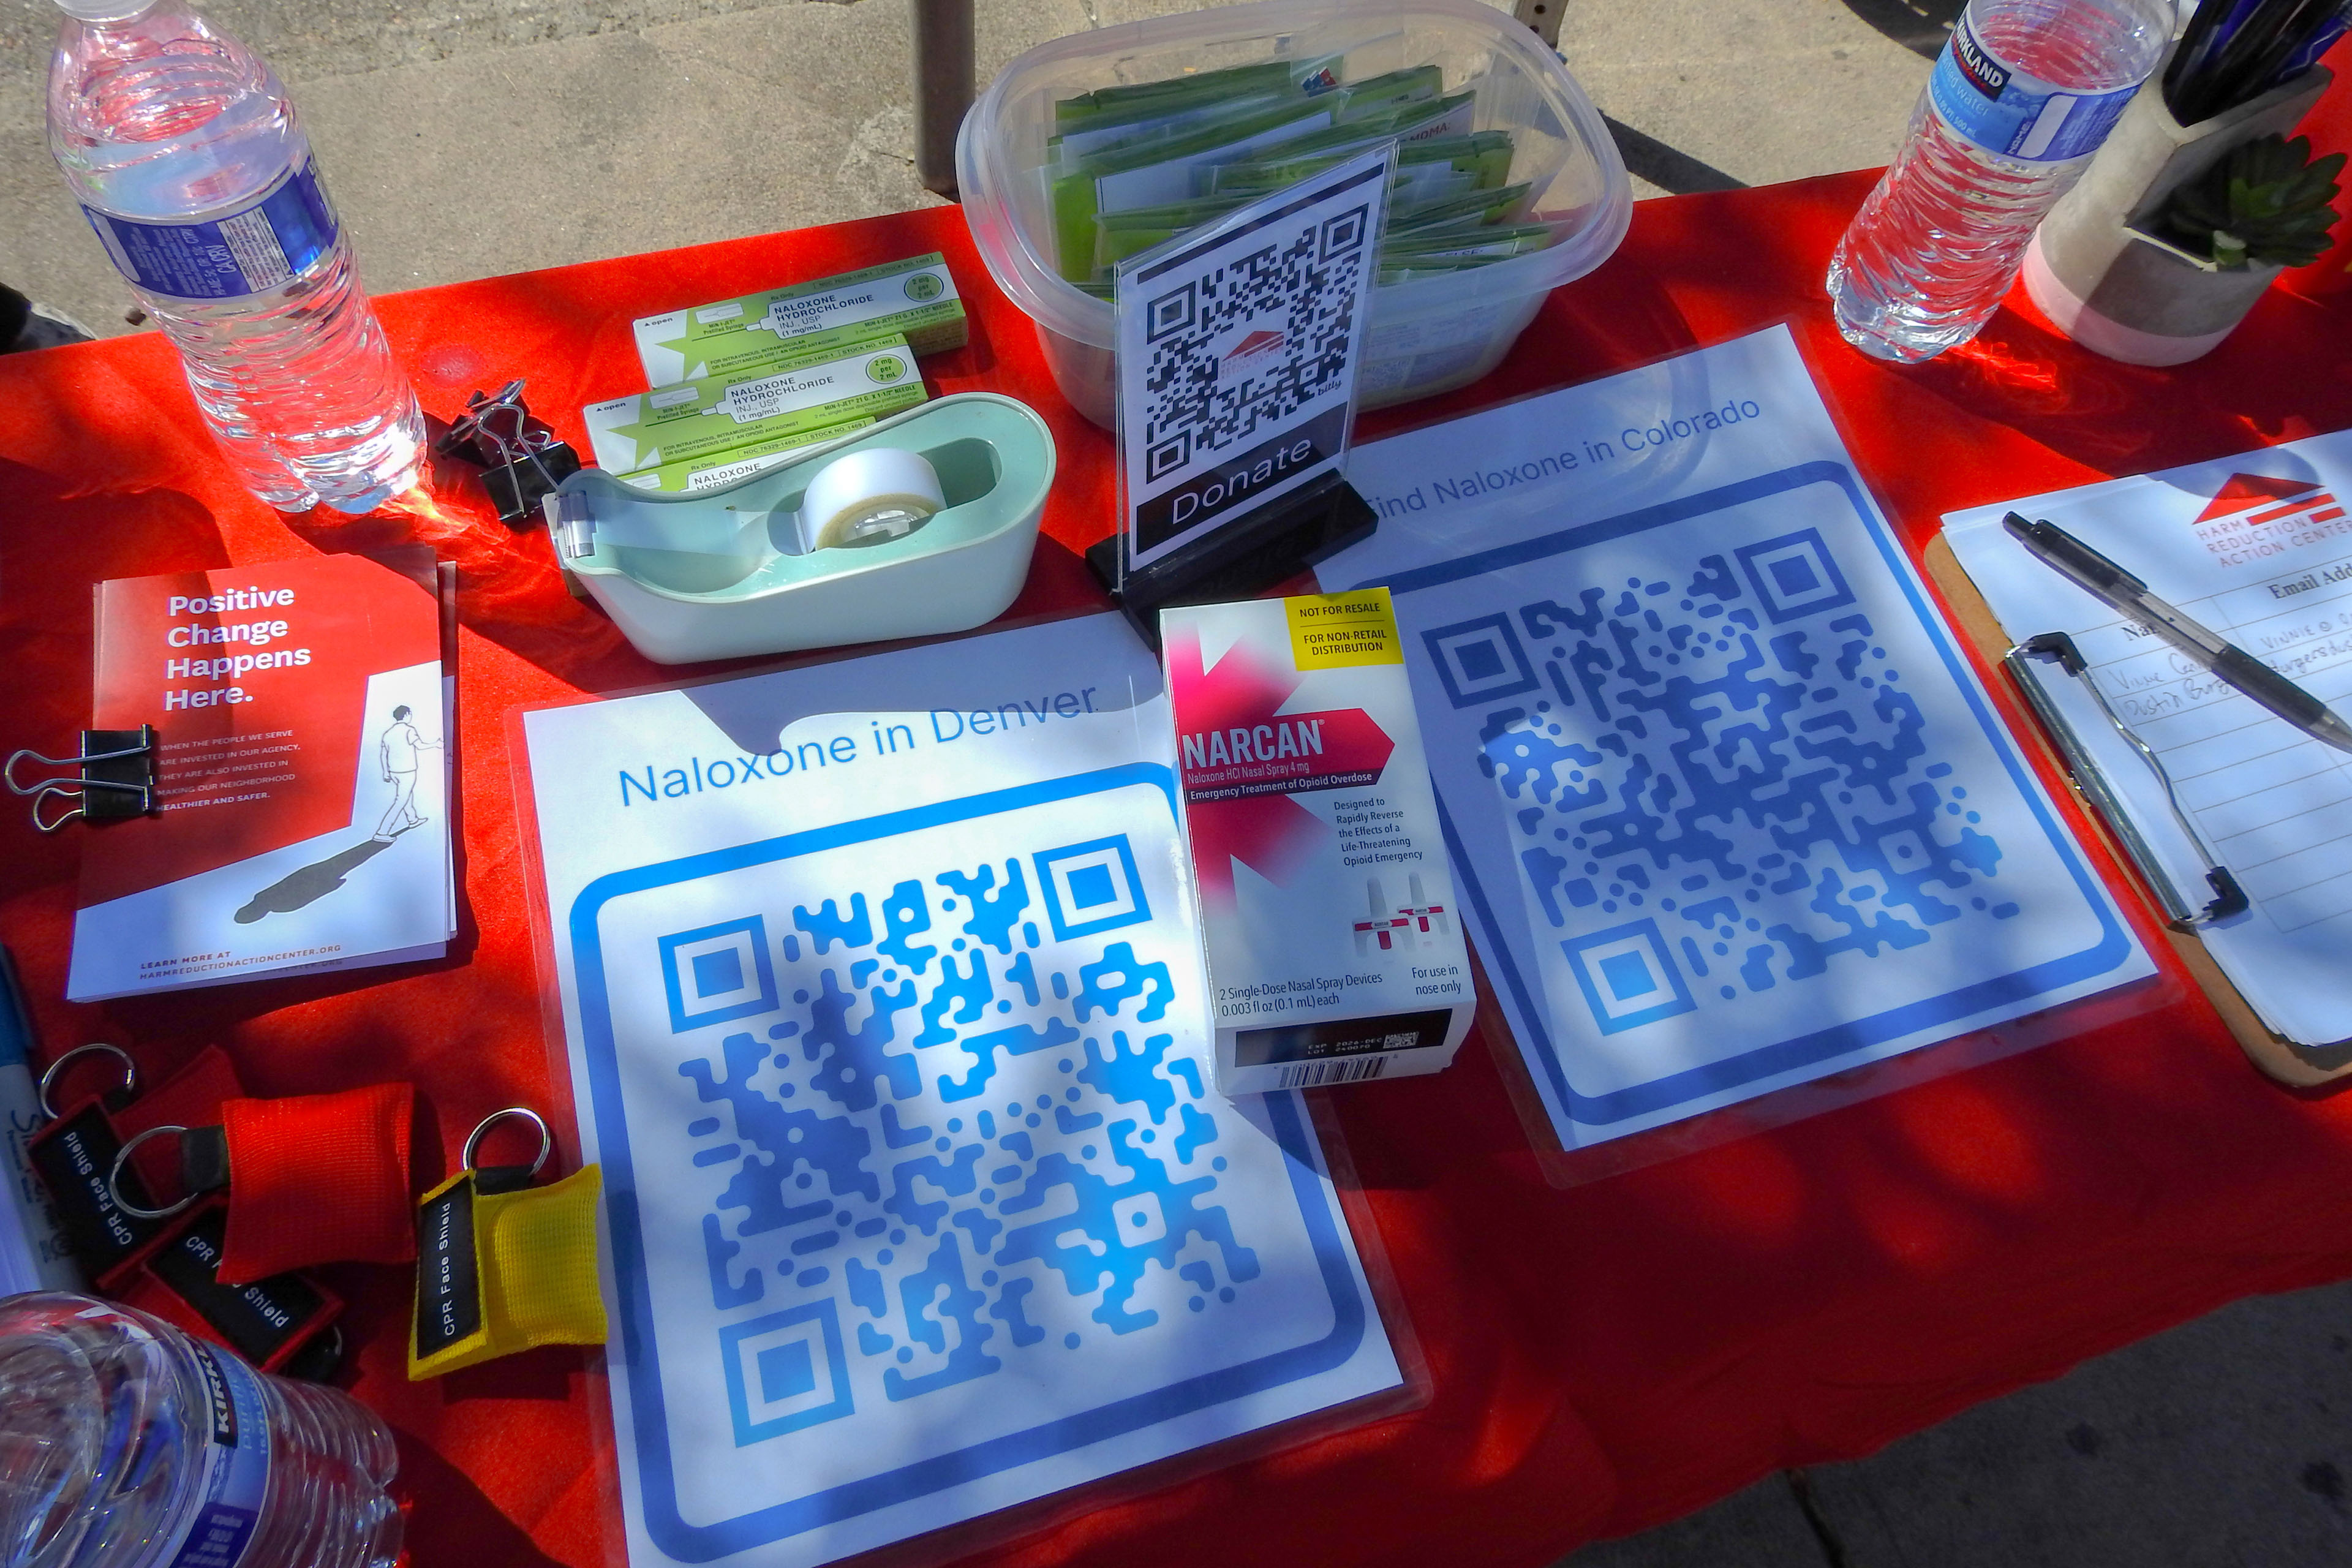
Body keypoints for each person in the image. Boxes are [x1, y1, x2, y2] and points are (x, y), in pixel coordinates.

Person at [374, 704, 441, 840]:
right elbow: (420, 746)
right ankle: (382, 832)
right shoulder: (409, 730)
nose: (411, 716)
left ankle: (413, 820)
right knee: (401, 800)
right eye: (410, 714)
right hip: (407, 771)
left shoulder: (388, 733)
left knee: (406, 796)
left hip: (394, 772)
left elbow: (383, 754)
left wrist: (386, 772)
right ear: (406, 715)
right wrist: (436, 744)